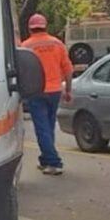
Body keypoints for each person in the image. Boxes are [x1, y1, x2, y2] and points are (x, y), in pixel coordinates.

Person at [21, 13, 73, 176]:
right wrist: (68, 90)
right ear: (45, 26)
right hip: (55, 91)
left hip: (36, 91)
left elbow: (21, 71)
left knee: (42, 128)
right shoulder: (57, 43)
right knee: (48, 127)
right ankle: (45, 159)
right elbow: (68, 69)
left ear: (30, 28)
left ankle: (53, 162)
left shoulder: (25, 46)